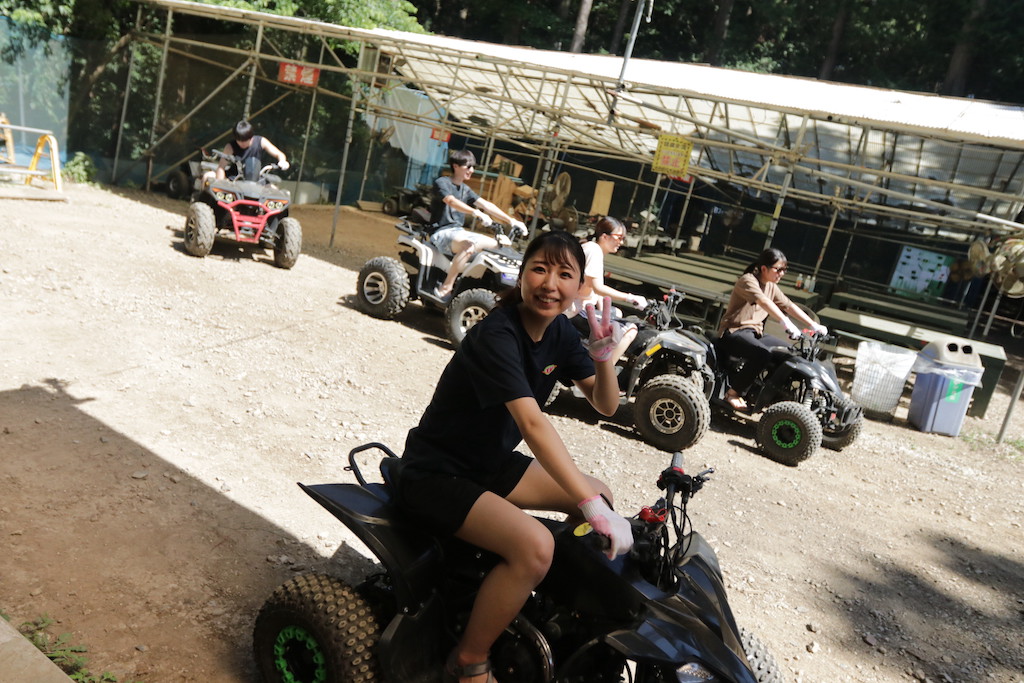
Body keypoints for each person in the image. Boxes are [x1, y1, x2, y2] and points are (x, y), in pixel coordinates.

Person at [395, 230, 634, 683]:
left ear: (579, 286)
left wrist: (604, 359)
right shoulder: (497, 334)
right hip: (437, 473)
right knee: (537, 545)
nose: (550, 284)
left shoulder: (560, 332)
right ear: (521, 275)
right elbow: (532, 424)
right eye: (539, 269)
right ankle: (468, 660)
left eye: (565, 274)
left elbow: (606, 405)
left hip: (488, 464)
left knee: (601, 491)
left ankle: (538, 605)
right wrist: (588, 506)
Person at [717, 248, 827, 411]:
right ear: (764, 268)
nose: (782, 274)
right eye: (778, 269)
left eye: (784, 270)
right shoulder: (748, 281)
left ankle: (768, 393)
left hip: (755, 333)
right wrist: (785, 322)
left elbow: (788, 305)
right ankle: (733, 393)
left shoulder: (771, 286)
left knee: (789, 353)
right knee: (762, 354)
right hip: (733, 331)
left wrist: (813, 325)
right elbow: (764, 302)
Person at [430, 149, 528, 299]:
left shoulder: (466, 189)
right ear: (455, 166)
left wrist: (512, 221)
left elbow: (487, 205)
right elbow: (450, 201)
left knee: (498, 246)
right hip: (441, 232)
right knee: (468, 246)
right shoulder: (442, 182)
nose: (472, 170)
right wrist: (475, 212)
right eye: (468, 166)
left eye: (473, 167)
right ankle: (446, 287)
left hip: (459, 232)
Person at [214, 120, 289, 180]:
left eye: (245, 140)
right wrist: (219, 185)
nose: (242, 143)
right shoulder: (230, 147)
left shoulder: (261, 141)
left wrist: (282, 161)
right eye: (239, 140)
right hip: (234, 177)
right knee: (209, 176)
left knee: (274, 190)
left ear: (251, 137)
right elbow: (221, 167)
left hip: (256, 178)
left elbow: (279, 154)